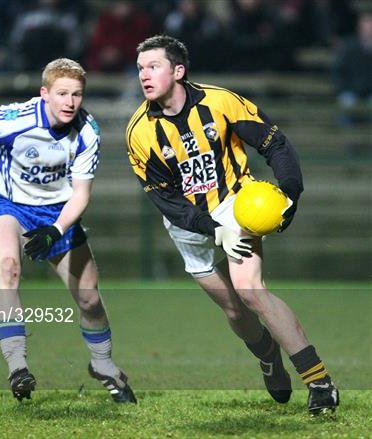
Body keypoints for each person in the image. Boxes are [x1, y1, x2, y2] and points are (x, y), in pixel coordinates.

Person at [125, 35, 339, 415]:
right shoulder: (139, 132)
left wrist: (289, 193)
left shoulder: (221, 101)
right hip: (189, 225)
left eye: (153, 66)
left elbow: (276, 144)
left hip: (235, 206)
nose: (144, 75)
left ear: (178, 70)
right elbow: (167, 201)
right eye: (140, 67)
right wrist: (213, 231)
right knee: (236, 313)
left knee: (251, 291)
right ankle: (267, 355)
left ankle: (319, 382)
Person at [0, 58, 136, 403]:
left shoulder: (86, 132)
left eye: (77, 94)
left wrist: (54, 229)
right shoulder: (17, 118)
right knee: (9, 266)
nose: (70, 102)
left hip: (58, 212)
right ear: (44, 94)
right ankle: (18, 367)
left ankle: (104, 364)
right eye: (62, 93)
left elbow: (81, 195)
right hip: (8, 203)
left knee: (89, 298)